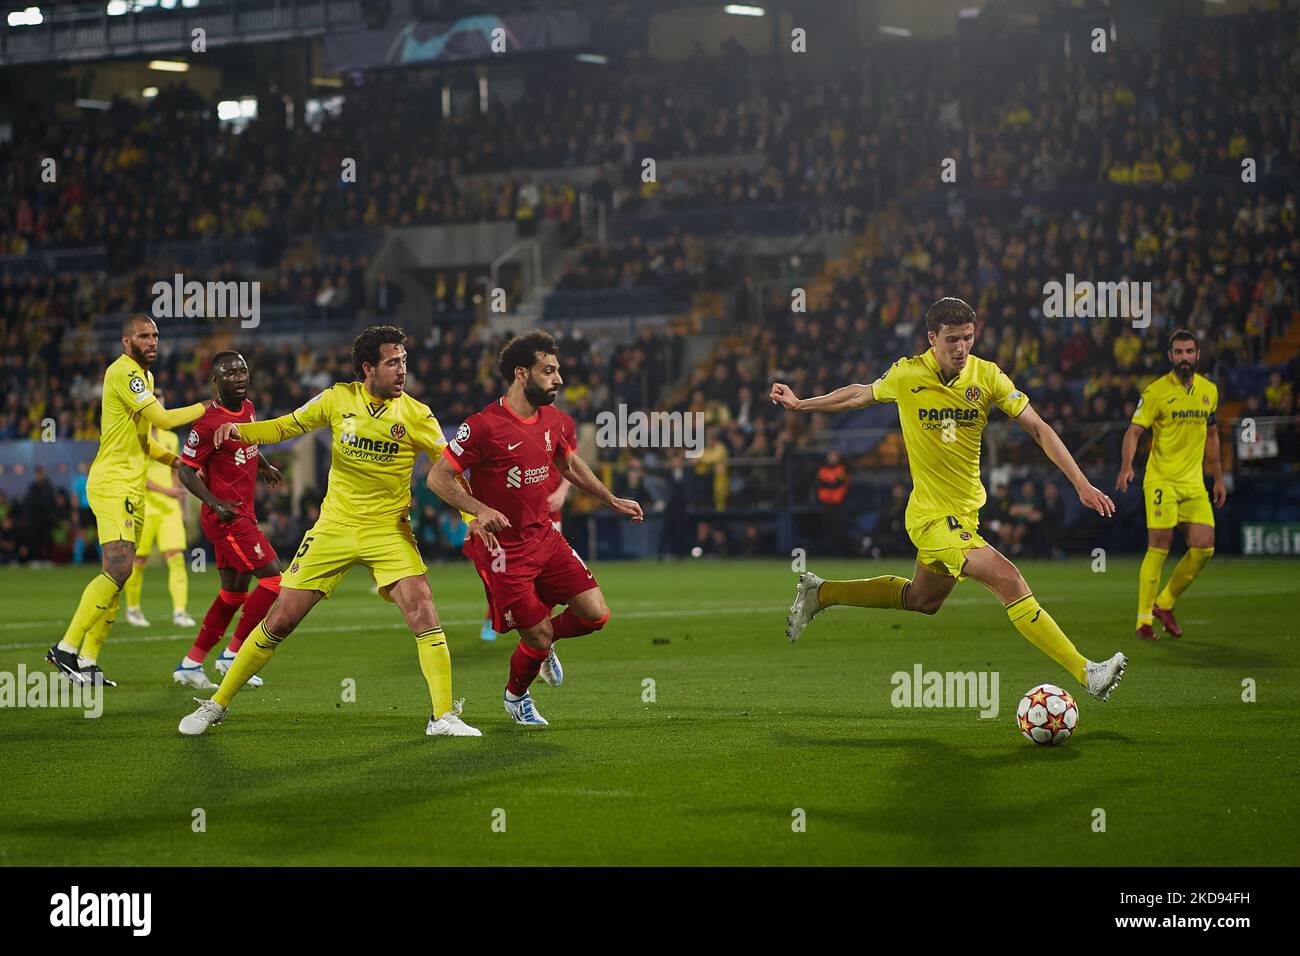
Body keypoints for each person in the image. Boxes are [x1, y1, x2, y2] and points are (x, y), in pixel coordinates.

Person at [771, 297, 1128, 703]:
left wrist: (1080, 482)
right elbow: (859, 394)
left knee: (921, 600)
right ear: (932, 338)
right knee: (1008, 579)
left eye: (968, 339)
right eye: (952, 340)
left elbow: (1039, 428)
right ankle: (1087, 672)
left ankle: (822, 593)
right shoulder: (908, 374)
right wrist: (802, 404)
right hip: (930, 517)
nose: (961, 348)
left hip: (965, 517)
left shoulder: (987, 376)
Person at [178, 325, 480, 738]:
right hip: (334, 527)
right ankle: (215, 704)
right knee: (281, 619)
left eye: (404, 361)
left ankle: (442, 716)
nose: (402, 370)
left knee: (424, 612)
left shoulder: (417, 414)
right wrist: (241, 431)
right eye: (393, 362)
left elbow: (449, 471)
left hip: (389, 531)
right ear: (368, 368)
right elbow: (287, 426)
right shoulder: (339, 398)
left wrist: (470, 518)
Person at [425, 330, 644, 727]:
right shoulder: (482, 427)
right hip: (502, 551)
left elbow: (571, 465)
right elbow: (438, 478)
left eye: (558, 370)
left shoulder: (554, 420)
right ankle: (517, 696)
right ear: (521, 374)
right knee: (537, 636)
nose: (558, 378)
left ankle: (542, 645)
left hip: (545, 537)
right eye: (549, 370)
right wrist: (478, 509)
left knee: (595, 615)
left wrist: (612, 500)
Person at [46, 315, 207, 687]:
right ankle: (66, 649)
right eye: (143, 336)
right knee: (118, 570)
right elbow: (164, 420)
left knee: (120, 574)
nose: (152, 341)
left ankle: (87, 661)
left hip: (131, 487)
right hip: (113, 483)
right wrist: (208, 407)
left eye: (155, 335)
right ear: (125, 340)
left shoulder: (145, 378)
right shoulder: (125, 372)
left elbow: (145, 439)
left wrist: (176, 461)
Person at [172, 351, 286, 689]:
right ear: (216, 380)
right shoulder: (206, 423)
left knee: (233, 595)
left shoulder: (247, 410)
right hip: (227, 517)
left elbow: (246, 440)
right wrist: (214, 501)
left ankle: (190, 664)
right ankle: (233, 654)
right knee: (274, 580)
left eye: (243, 371)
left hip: (242, 512)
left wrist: (264, 465)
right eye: (230, 372)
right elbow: (185, 470)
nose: (239, 377)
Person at [1116, 329, 1225, 640]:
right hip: (1161, 479)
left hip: (1193, 482)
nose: (1184, 358)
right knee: (1159, 545)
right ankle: (1143, 621)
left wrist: (1218, 477)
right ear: (1170, 356)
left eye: (1189, 352)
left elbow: (1213, 434)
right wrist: (1126, 467)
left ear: (1197, 354)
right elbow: (1133, 432)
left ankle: (1164, 603)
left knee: (1204, 547)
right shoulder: (1155, 392)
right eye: (1178, 352)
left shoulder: (1209, 391)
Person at [123, 388, 195, 629]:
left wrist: (180, 501)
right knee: (139, 561)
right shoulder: (136, 435)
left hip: (168, 508)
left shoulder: (171, 438)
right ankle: (133, 609)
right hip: (143, 505)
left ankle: (180, 612)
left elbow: (174, 471)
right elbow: (138, 475)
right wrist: (167, 492)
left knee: (176, 559)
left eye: (161, 404)